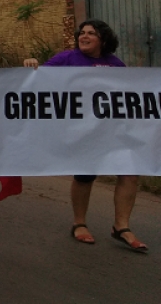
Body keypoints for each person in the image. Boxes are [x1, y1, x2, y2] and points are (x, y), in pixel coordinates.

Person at [24, 19, 147, 253]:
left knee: (130, 172)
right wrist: (31, 65)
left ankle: (122, 227)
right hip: (81, 130)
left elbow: (129, 94)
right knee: (85, 175)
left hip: (113, 130)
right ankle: (79, 223)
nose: (84, 36)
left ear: (103, 39)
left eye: (91, 33)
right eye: (82, 32)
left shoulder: (115, 64)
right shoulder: (66, 59)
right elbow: (38, 80)